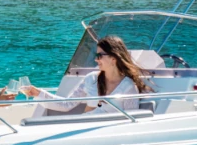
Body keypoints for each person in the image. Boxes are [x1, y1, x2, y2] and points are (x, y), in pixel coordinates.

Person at [21, 35, 150, 114]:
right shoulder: (91, 79)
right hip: (85, 127)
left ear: (113, 58)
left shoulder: (128, 86)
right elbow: (66, 104)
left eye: (99, 56)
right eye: (95, 55)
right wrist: (38, 93)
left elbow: (132, 117)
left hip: (109, 135)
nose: (96, 59)